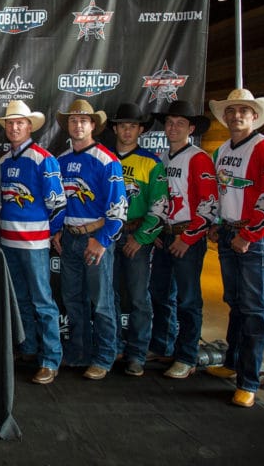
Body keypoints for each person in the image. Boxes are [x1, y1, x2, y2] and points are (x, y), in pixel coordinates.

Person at [206, 88, 264, 407]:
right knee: (235, 301)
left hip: (251, 236)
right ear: (224, 116)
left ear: (255, 116)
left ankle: (249, 380)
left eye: (243, 111)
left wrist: (250, 234)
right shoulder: (222, 150)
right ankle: (233, 362)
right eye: (231, 111)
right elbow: (219, 189)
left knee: (253, 308)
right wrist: (215, 222)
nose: (236, 116)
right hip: (228, 231)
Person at [54, 99, 127, 380]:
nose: (78, 124)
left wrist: (103, 239)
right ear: (67, 125)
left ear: (93, 125)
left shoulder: (107, 160)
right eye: (73, 120)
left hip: (95, 239)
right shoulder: (60, 160)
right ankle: (78, 351)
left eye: (84, 120)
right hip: (69, 238)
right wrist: (56, 230)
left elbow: (119, 208)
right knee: (73, 299)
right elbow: (58, 201)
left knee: (101, 301)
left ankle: (105, 356)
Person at [0, 100, 66, 385]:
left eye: (20, 123)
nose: (14, 127)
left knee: (42, 301)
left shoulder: (43, 158)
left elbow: (58, 204)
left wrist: (51, 233)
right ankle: (29, 348)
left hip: (34, 244)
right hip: (7, 242)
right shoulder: (2, 161)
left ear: (29, 126)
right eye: (10, 123)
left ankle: (51, 359)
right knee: (20, 299)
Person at [150, 100, 218, 379]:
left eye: (180, 123)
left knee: (188, 299)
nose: (173, 128)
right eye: (169, 123)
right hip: (165, 236)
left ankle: (187, 355)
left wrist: (188, 238)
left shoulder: (198, 158)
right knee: (160, 294)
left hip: (186, 237)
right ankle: (164, 346)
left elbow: (209, 204)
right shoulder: (163, 159)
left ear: (191, 128)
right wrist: (156, 231)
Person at [108, 103, 168, 377]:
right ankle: (114, 347)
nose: (127, 130)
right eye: (122, 125)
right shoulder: (104, 158)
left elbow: (159, 204)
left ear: (141, 130)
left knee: (138, 297)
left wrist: (142, 238)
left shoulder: (151, 162)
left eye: (132, 126)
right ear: (115, 129)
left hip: (134, 235)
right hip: (107, 235)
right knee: (109, 295)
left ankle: (137, 354)